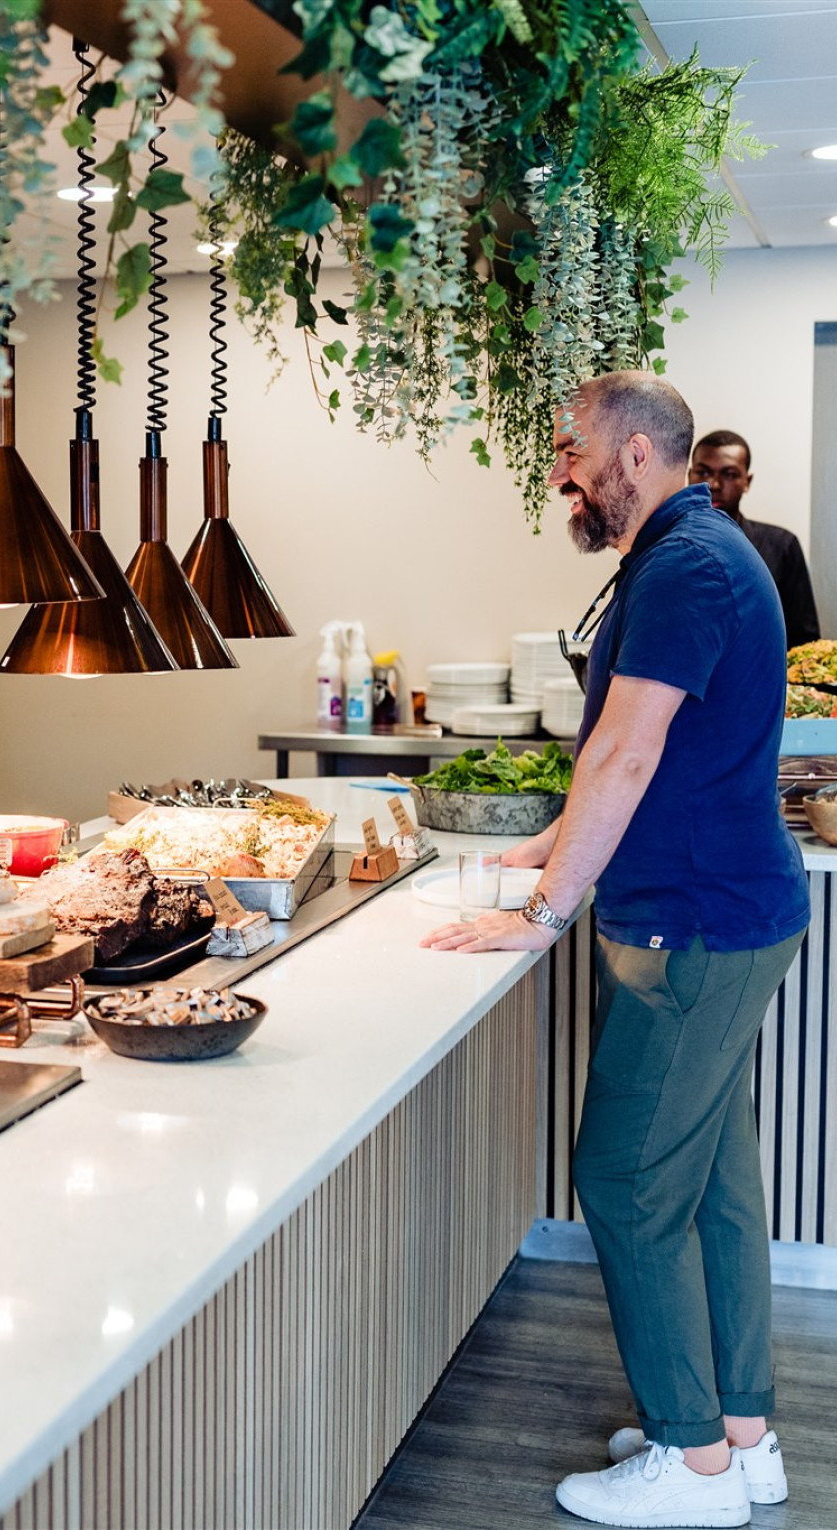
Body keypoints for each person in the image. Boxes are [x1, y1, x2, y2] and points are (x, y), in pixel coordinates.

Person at [421, 372, 809, 1528]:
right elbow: (622, 755)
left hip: (687, 923)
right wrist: (538, 851)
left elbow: (631, 761)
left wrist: (540, 912)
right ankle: (743, 1437)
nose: (558, 472)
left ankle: (693, 1467)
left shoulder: (687, 567)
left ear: (635, 453)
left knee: (629, 1183)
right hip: (728, 910)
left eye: (570, 450)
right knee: (716, 1188)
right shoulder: (697, 552)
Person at [690, 428, 821, 647]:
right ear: (688, 475)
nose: (713, 485)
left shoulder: (781, 545)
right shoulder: (662, 544)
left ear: (747, 481)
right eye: (702, 473)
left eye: (729, 474)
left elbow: (805, 642)